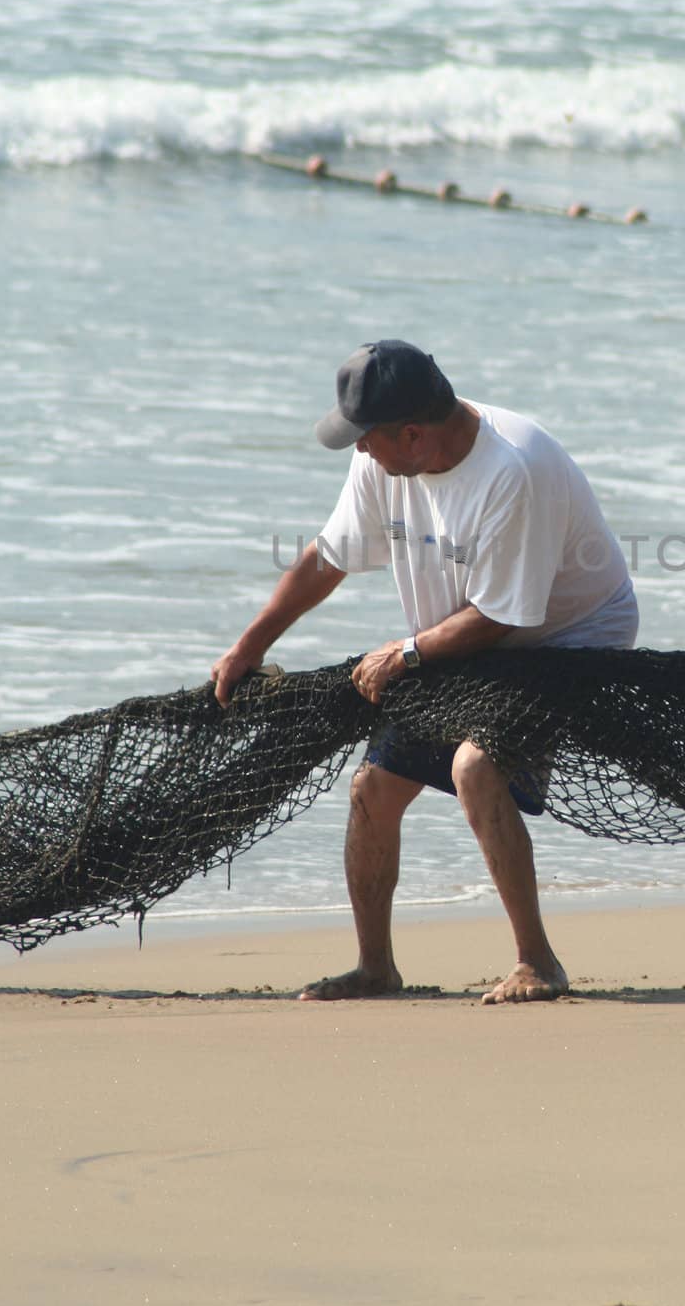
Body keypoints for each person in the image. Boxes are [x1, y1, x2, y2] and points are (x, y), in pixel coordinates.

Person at [211, 340, 638, 1004]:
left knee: (476, 766)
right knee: (372, 789)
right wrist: (248, 646)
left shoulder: (510, 471)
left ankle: (537, 962)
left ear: (412, 433)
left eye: (366, 439)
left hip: (568, 640)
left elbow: (502, 617)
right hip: (466, 641)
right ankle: (374, 967)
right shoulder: (385, 463)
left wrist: (407, 652)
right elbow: (329, 559)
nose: (359, 452)